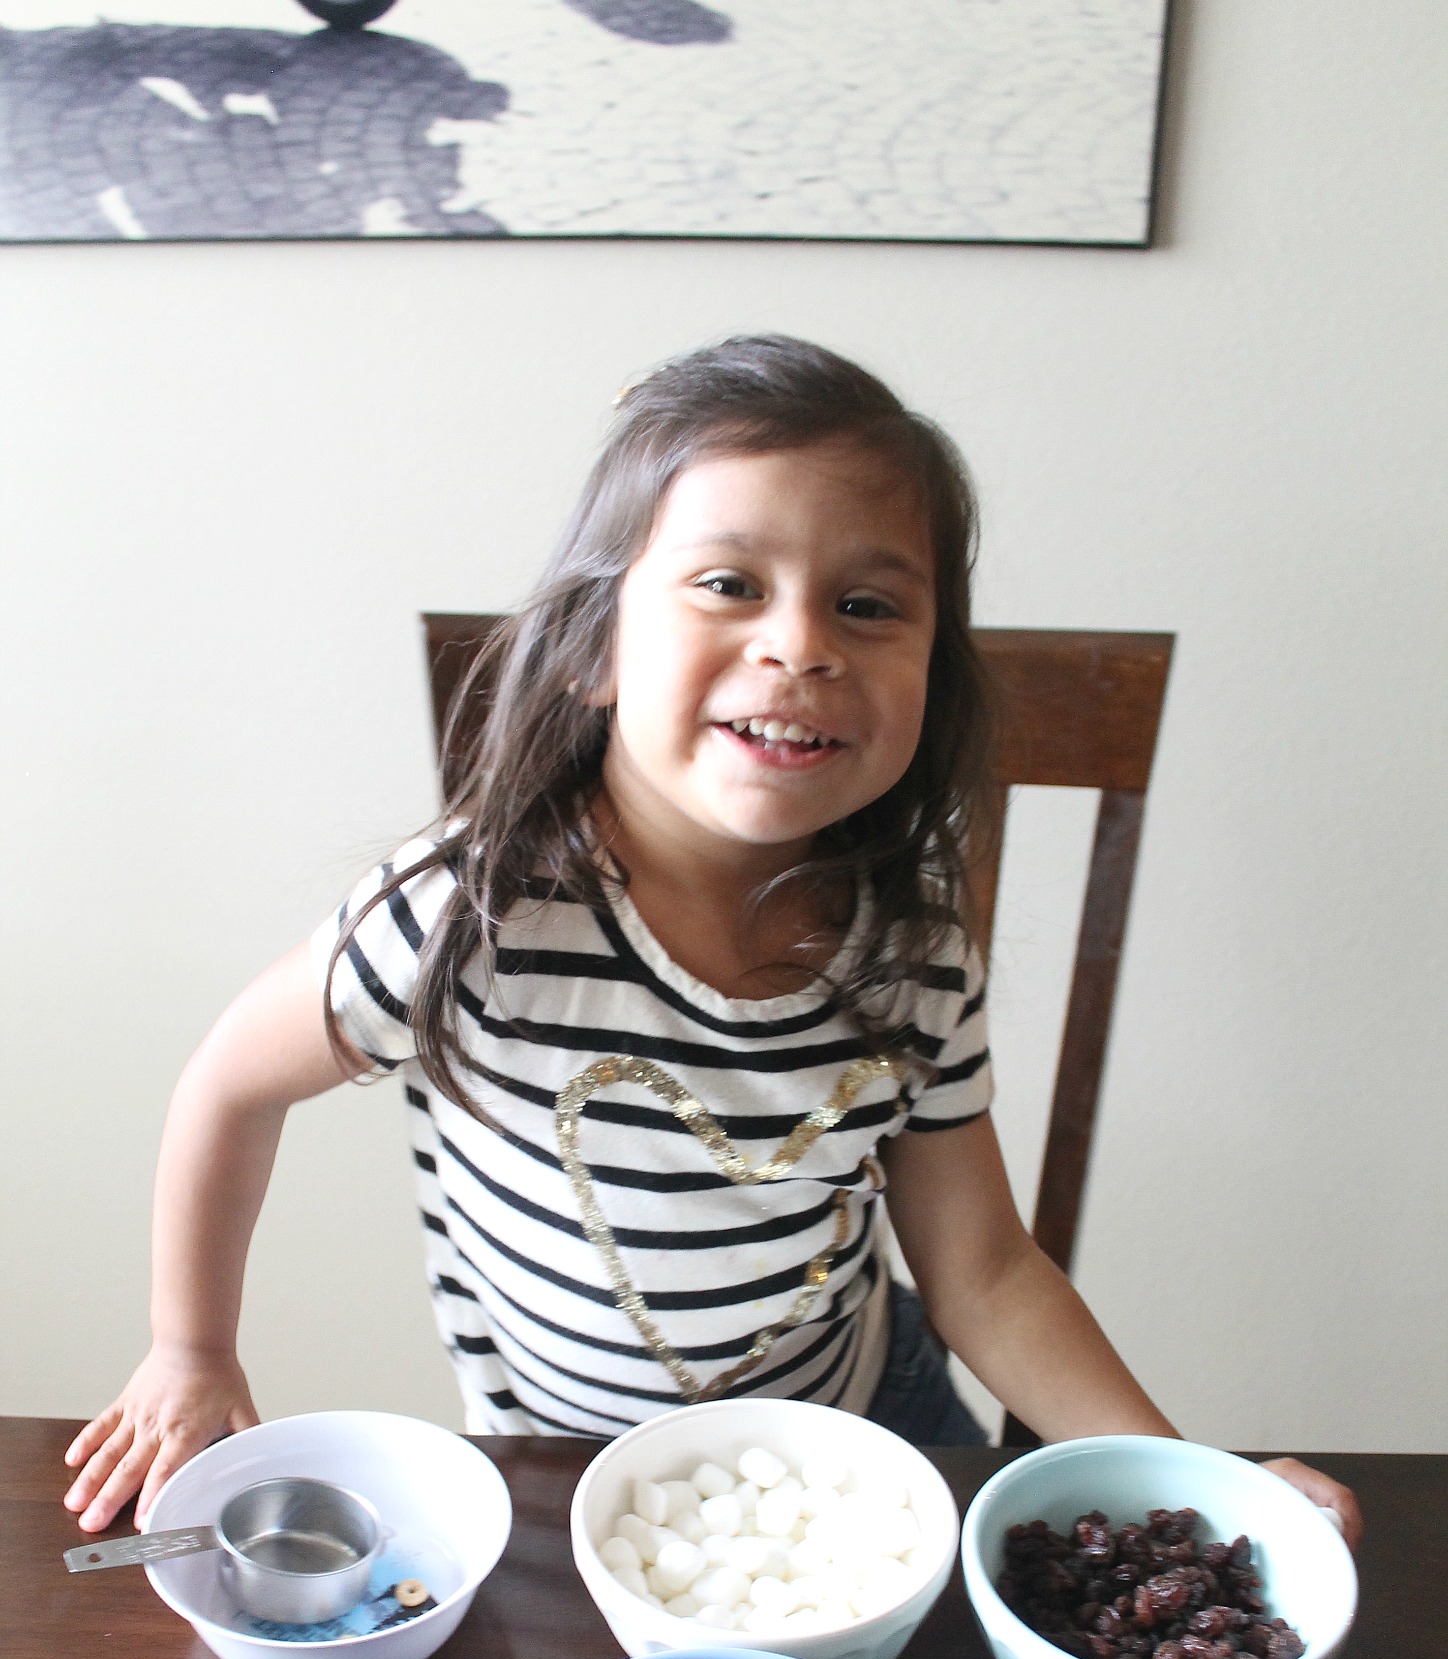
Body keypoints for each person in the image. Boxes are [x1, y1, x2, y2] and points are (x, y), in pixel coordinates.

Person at [63, 334, 1361, 1549]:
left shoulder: (909, 955)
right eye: (730, 585)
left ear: (933, 680)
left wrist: (1196, 1489)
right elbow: (232, 1083)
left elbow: (987, 1276)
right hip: (563, 1472)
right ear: (595, 645)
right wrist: (191, 1349)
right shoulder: (468, 912)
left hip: (865, 1429)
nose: (799, 644)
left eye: (867, 605)